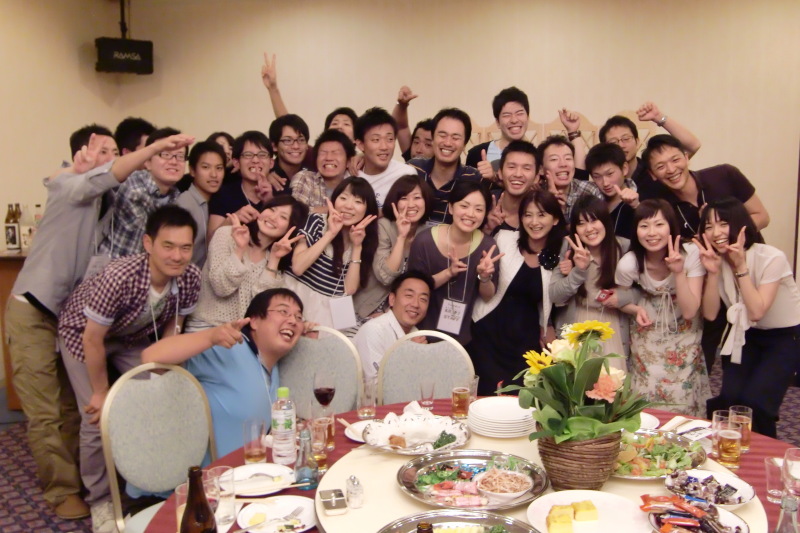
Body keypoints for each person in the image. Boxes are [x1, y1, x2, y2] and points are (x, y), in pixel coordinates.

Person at [4, 125, 167, 521]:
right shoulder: (71, 187)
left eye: (114, 152)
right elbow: (72, 177)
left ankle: (83, 478)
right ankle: (60, 490)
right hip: (33, 310)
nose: (112, 160)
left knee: (73, 408)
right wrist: (154, 149)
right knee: (43, 409)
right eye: (104, 152)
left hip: (70, 317)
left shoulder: (105, 205)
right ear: (82, 155)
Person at [57, 205, 201, 533]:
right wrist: (100, 392)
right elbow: (92, 338)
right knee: (97, 416)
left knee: (159, 397)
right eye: (168, 246)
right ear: (148, 243)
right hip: (82, 333)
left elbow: (175, 326)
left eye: (185, 247)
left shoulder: (191, 276)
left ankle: (151, 485)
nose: (177, 256)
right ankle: (100, 500)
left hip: (131, 337)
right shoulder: (119, 275)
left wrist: (163, 374)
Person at [142, 288, 310, 456]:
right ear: (254, 321)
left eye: (298, 317)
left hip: (253, 467)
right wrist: (210, 336)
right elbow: (150, 357)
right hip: (213, 469)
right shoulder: (228, 349)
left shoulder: (273, 368)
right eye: (283, 311)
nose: (293, 321)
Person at [696, 198, 800, 437]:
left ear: (740, 224)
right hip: (745, 335)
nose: (716, 233)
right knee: (729, 399)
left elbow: (756, 312)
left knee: (757, 403)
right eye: (709, 227)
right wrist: (713, 273)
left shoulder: (771, 257)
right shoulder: (716, 260)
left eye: (723, 224)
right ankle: (727, 451)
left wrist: (740, 266)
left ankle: (766, 453)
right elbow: (710, 314)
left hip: (784, 338)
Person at [615, 199, 710, 417]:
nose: (652, 233)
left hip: (684, 327)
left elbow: (690, 311)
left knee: (683, 392)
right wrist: (635, 310)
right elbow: (621, 299)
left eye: (659, 224)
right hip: (648, 327)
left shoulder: (691, 254)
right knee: (645, 392)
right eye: (644, 226)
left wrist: (678, 272)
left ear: (671, 227)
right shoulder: (629, 263)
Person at [469, 190, 566, 395]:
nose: (534, 222)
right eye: (528, 215)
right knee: (485, 398)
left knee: (520, 399)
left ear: (555, 219)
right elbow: (485, 285)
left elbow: (557, 299)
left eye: (541, 215)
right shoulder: (504, 238)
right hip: (489, 332)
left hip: (526, 341)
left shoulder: (561, 252)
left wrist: (548, 325)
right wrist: (483, 275)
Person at [186, 196, 308, 331]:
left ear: (289, 229)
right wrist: (239, 250)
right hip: (205, 326)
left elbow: (261, 309)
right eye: (272, 209)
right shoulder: (226, 235)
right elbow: (221, 288)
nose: (273, 217)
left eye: (283, 217)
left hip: (242, 334)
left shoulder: (276, 262)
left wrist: (274, 259)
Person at [408, 180, 499, 345]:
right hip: (421, 334)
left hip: (462, 339)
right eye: (464, 206)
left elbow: (488, 296)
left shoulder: (488, 246)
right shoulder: (424, 241)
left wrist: (484, 277)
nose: (471, 214)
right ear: (451, 207)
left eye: (479, 209)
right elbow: (412, 290)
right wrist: (448, 273)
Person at [549, 196, 632, 367]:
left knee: (613, 378)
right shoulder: (569, 248)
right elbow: (555, 295)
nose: (589, 229)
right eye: (581, 223)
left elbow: (641, 292)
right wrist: (578, 271)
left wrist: (621, 298)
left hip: (614, 325)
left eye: (594, 220)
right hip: (578, 323)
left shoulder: (623, 247)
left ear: (605, 221)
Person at [285, 177, 379, 328]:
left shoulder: (364, 239)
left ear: (367, 210)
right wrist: (330, 233)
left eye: (358, 201)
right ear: (334, 200)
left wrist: (357, 246)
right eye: (343, 198)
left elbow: (349, 290)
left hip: (326, 314)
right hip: (293, 301)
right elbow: (298, 267)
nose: (349, 206)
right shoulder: (317, 221)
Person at [98, 127, 195, 258]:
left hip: (143, 269)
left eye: (180, 156)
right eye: (165, 154)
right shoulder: (134, 185)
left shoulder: (174, 196)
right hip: (112, 267)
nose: (173, 161)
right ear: (148, 162)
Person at [354, 175, 435, 324]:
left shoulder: (428, 234)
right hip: (367, 309)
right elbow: (385, 277)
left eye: (417, 197)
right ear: (395, 202)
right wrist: (401, 237)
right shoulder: (384, 226)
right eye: (404, 198)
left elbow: (424, 281)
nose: (411, 204)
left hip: (401, 315)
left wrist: (450, 272)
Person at [599, 102, 701, 200]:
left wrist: (658, 117)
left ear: (637, 141)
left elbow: (693, 146)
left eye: (626, 139)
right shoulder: (603, 181)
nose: (621, 145)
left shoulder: (654, 168)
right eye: (613, 142)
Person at [353, 271, 434, 382]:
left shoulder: (416, 334)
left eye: (423, 299)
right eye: (409, 295)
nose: (416, 304)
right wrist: (408, 355)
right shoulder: (374, 330)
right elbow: (374, 385)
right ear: (392, 299)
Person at [409, 108, 482, 225]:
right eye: (442, 135)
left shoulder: (474, 178)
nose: (448, 143)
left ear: (464, 144)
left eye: (455, 138)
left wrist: (495, 178)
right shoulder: (413, 169)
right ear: (433, 138)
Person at [207, 130, 273, 239]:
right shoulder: (222, 195)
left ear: (271, 163)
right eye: (248, 155)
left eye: (262, 155)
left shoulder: (284, 194)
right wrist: (232, 220)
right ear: (236, 163)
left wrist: (270, 202)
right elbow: (210, 241)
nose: (255, 160)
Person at [176, 141, 227, 267]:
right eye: (206, 167)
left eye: (219, 168)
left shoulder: (218, 201)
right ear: (192, 170)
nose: (214, 174)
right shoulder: (183, 205)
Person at [355, 107, 417, 209]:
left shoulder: (405, 174)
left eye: (390, 139)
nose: (384, 147)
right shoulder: (350, 173)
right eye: (376, 140)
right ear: (361, 144)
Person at [465, 87, 531, 181]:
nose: (514, 120)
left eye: (519, 113)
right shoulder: (476, 154)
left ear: (528, 117)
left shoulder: (538, 157)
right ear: (497, 122)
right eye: (507, 115)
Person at [537, 135, 603, 222]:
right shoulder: (535, 194)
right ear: (541, 169)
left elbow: (601, 225)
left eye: (568, 158)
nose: (563, 164)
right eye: (554, 159)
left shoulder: (590, 190)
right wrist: (549, 202)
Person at [291, 129, 355, 213]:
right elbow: (295, 212)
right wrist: (337, 210)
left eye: (335, 153)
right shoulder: (306, 178)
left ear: (348, 161)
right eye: (323, 153)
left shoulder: (356, 186)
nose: (328, 158)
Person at [585, 142, 639, 240]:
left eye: (610, 174)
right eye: (597, 177)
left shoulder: (640, 198)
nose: (605, 183)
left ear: (624, 168)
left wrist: (636, 206)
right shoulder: (591, 202)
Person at [483, 141, 540, 233]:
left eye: (526, 168)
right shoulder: (484, 204)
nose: (518, 174)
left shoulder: (543, 209)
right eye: (511, 167)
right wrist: (486, 228)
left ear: (536, 178)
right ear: (500, 173)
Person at [267, 114, 310, 193]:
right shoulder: (266, 174)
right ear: (274, 146)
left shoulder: (313, 175)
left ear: (307, 145)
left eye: (301, 140)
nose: (296, 146)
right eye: (287, 140)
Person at [390, 85, 434, 161]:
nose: (419, 150)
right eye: (416, 142)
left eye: (428, 144)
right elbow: (400, 127)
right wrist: (402, 105)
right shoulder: (411, 159)